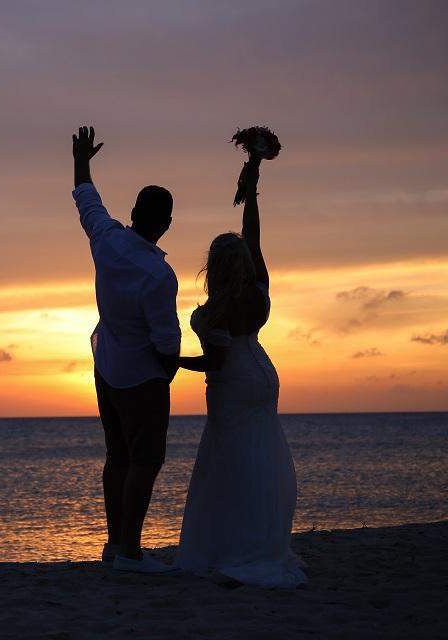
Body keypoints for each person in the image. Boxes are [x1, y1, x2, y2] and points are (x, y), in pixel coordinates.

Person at [174, 157, 308, 588]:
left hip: (232, 385)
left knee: (232, 465)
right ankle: (267, 539)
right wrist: (251, 192)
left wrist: (172, 362)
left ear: (212, 268)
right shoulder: (257, 294)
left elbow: (214, 363)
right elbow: (253, 236)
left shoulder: (214, 311)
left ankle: (238, 545)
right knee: (264, 457)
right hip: (264, 375)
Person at [71, 126, 180, 573]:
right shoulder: (158, 275)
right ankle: (130, 552)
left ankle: (115, 545)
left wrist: (82, 159)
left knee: (118, 456)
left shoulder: (107, 239)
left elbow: (87, 200)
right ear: (167, 224)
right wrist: (170, 371)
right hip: (141, 376)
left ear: (134, 212)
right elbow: (167, 342)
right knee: (146, 458)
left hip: (106, 367)